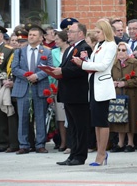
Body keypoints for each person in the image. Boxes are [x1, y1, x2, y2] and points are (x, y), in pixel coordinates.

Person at [72, 20, 117, 166]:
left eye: (98, 32)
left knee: (102, 121)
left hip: (103, 85)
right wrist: (84, 59)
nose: (96, 35)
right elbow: (93, 63)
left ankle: (102, 153)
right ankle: (100, 151)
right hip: (93, 84)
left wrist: (83, 64)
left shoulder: (111, 45)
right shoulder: (98, 45)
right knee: (96, 121)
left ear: (105, 31)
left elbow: (103, 66)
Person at [53, 22, 92, 166]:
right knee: (73, 127)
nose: (68, 34)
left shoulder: (84, 48)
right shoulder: (71, 48)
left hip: (78, 93)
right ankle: (73, 154)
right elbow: (67, 66)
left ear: (80, 33)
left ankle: (80, 156)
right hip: (68, 92)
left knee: (80, 126)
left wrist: (62, 71)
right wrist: (56, 70)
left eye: (71, 32)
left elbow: (82, 68)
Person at [11, 24, 53, 154]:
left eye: (34, 35)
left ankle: (40, 144)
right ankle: (24, 145)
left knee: (40, 116)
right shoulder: (19, 51)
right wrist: (27, 76)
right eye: (30, 35)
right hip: (23, 87)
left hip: (40, 87)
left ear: (41, 38)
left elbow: (50, 68)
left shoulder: (46, 51)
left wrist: (37, 76)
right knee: (23, 116)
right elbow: (15, 68)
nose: (31, 37)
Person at [110, 41, 137, 152]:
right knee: (119, 118)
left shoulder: (135, 63)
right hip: (118, 93)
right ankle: (120, 143)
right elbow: (109, 77)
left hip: (131, 94)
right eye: (119, 50)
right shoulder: (114, 64)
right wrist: (112, 83)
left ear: (128, 51)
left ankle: (130, 143)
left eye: (123, 50)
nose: (121, 52)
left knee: (130, 118)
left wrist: (125, 83)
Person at [0, 22, 14, 152]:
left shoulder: (7, 50)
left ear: (1, 35)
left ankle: (3, 142)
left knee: (0, 115)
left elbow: (9, 69)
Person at [50, 31, 70, 152]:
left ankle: (71, 142)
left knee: (70, 115)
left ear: (64, 39)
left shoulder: (72, 50)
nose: (55, 41)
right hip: (56, 85)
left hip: (70, 84)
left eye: (57, 39)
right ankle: (63, 142)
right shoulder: (53, 52)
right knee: (60, 116)